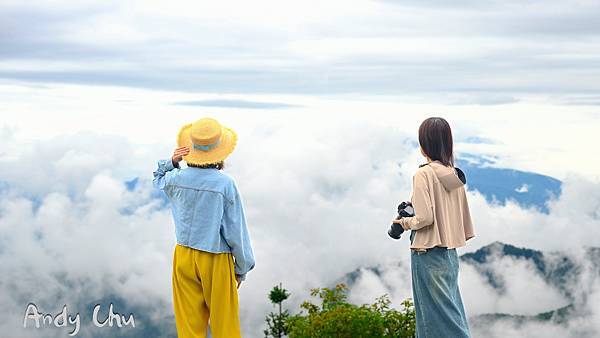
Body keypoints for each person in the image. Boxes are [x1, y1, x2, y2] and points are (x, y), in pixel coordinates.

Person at [152, 117, 255, 338]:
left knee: (189, 326)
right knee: (224, 325)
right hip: (215, 258)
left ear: (190, 148)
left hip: (183, 256)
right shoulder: (224, 184)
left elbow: (158, 178)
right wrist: (242, 268)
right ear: (220, 152)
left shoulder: (177, 178)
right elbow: (235, 229)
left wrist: (172, 160)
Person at [392, 117, 475, 338]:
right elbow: (450, 214)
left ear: (424, 144)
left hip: (427, 253)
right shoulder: (452, 175)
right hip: (449, 254)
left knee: (431, 320)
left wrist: (404, 222)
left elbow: (426, 218)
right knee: (451, 314)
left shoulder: (423, 174)